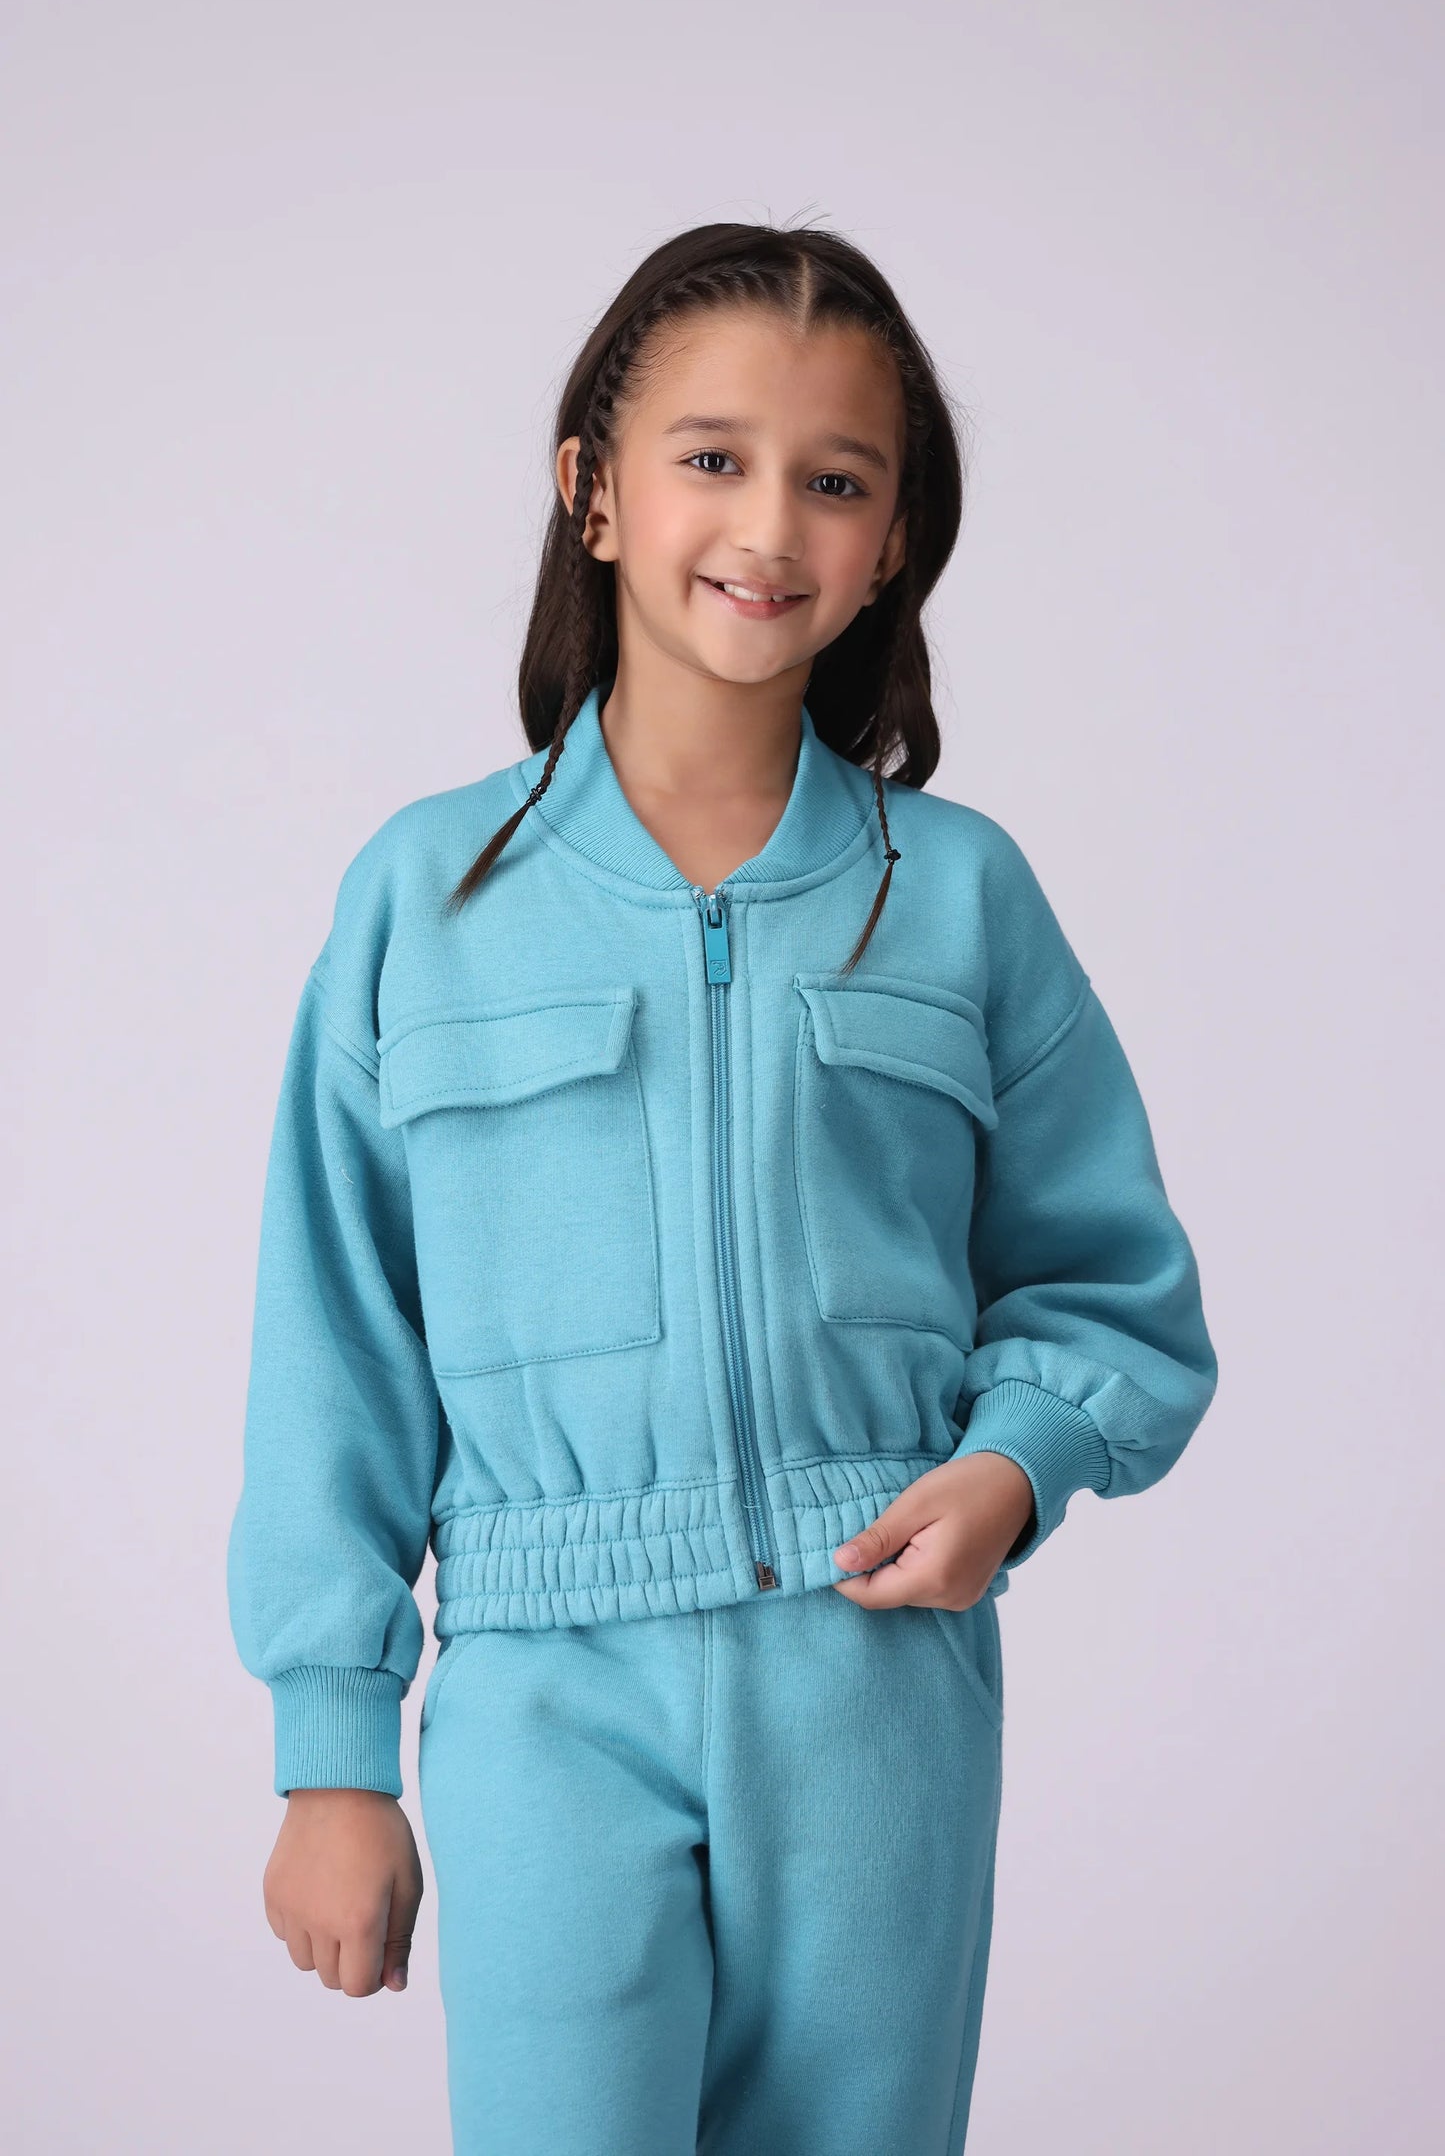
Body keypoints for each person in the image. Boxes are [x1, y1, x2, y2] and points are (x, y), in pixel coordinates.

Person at [227, 219, 1219, 2155]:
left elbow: (1113, 1288)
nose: (770, 524)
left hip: (873, 1673)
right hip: (543, 1682)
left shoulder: (959, 892)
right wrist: (330, 1747)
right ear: (591, 491)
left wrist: (1014, 1469)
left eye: (835, 480)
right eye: (711, 456)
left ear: (893, 541)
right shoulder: (425, 894)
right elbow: (333, 1329)